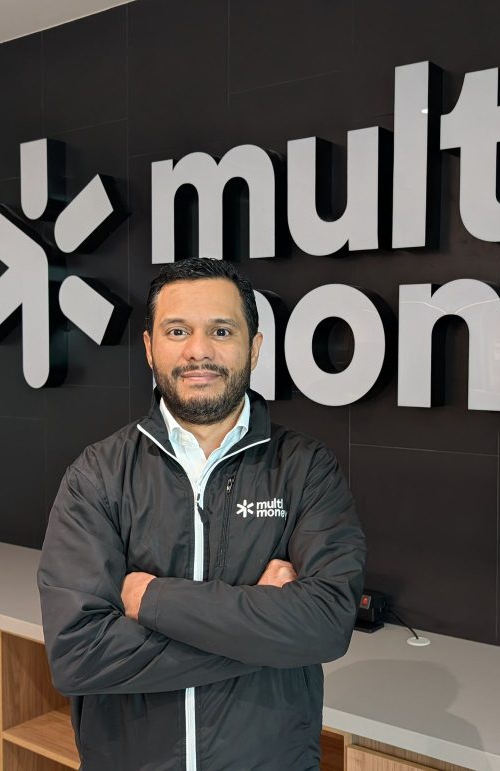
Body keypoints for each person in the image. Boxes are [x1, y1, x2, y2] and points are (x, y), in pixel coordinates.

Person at [37, 258, 366, 770]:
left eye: (221, 330)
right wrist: (262, 627)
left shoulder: (305, 469)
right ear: (150, 347)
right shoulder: (98, 474)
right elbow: (79, 655)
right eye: (177, 331)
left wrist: (153, 599)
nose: (199, 350)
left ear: (254, 347)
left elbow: (326, 623)